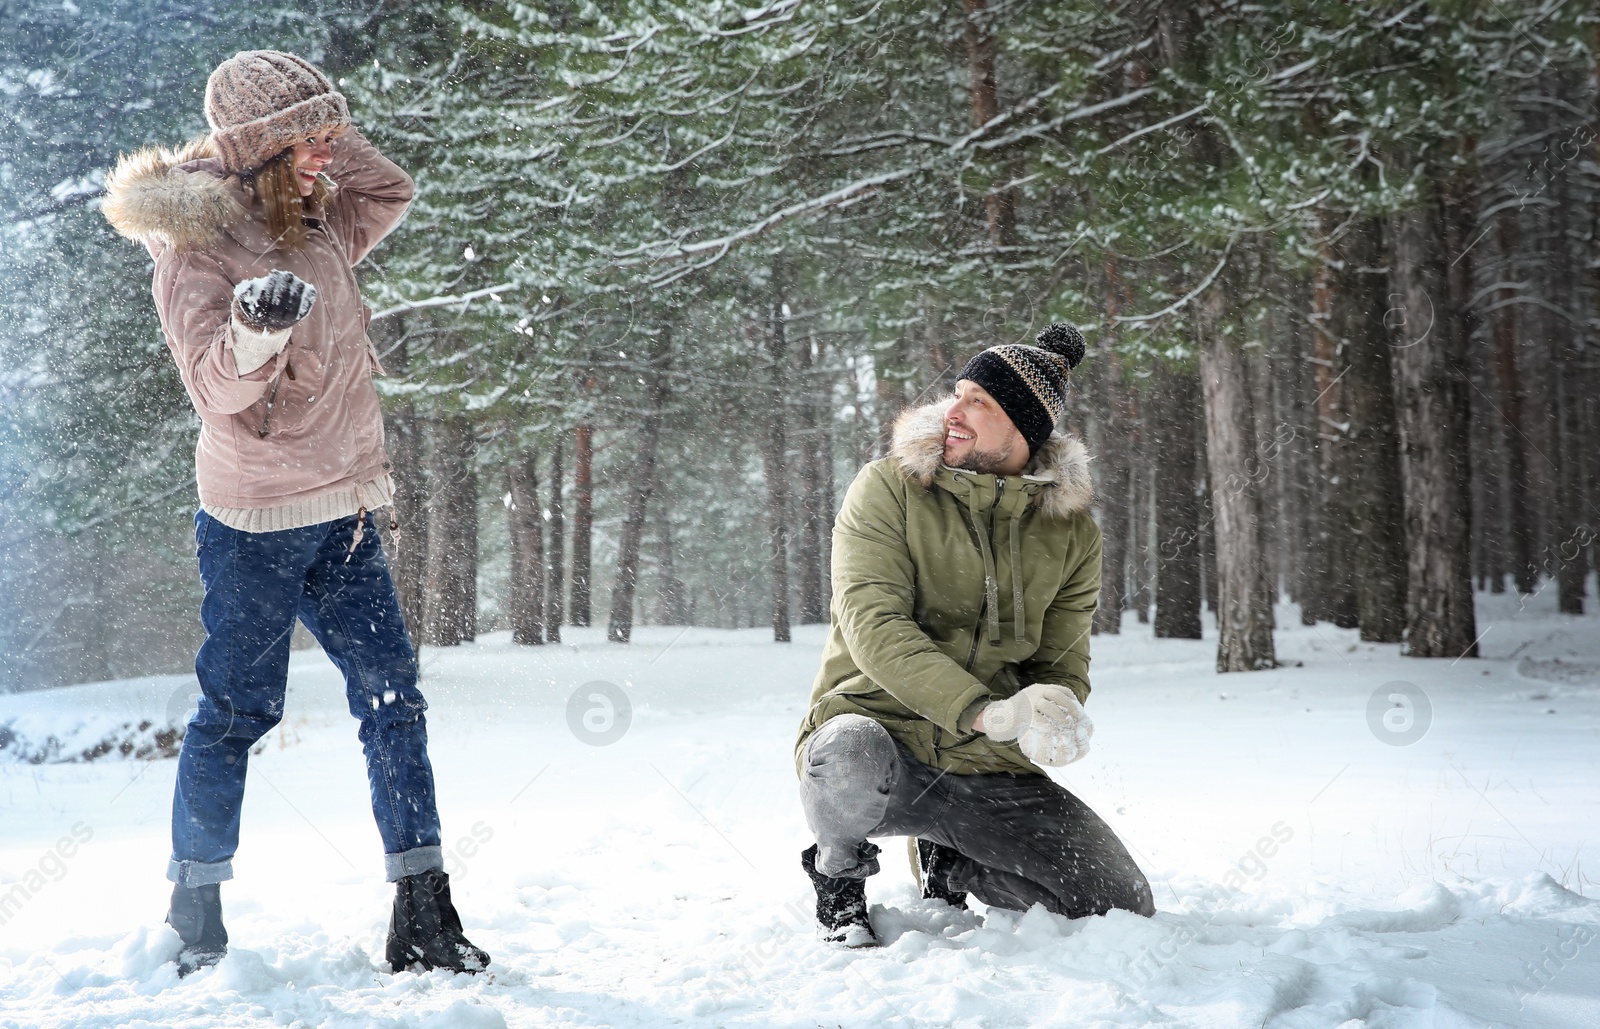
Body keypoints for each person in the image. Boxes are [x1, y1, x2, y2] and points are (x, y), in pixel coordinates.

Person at [103, 50, 488, 976]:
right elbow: (214, 388)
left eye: (329, 138)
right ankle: (194, 908)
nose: (329, 156)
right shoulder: (196, 247)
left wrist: (317, 131)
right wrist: (255, 327)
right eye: (309, 141)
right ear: (261, 149)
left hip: (347, 509)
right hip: (253, 526)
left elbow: (389, 187)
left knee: (394, 700)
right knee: (237, 710)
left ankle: (424, 907)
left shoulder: (316, 219)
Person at [793, 323, 1155, 946]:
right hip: (883, 745)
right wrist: (985, 712)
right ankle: (839, 881)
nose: (950, 411)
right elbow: (875, 628)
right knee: (847, 749)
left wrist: (1056, 711)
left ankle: (954, 858)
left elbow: (1062, 658)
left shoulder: (1071, 533)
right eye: (956, 393)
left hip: (988, 765)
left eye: (976, 402)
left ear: (1024, 429)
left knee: (1118, 903)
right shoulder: (888, 489)